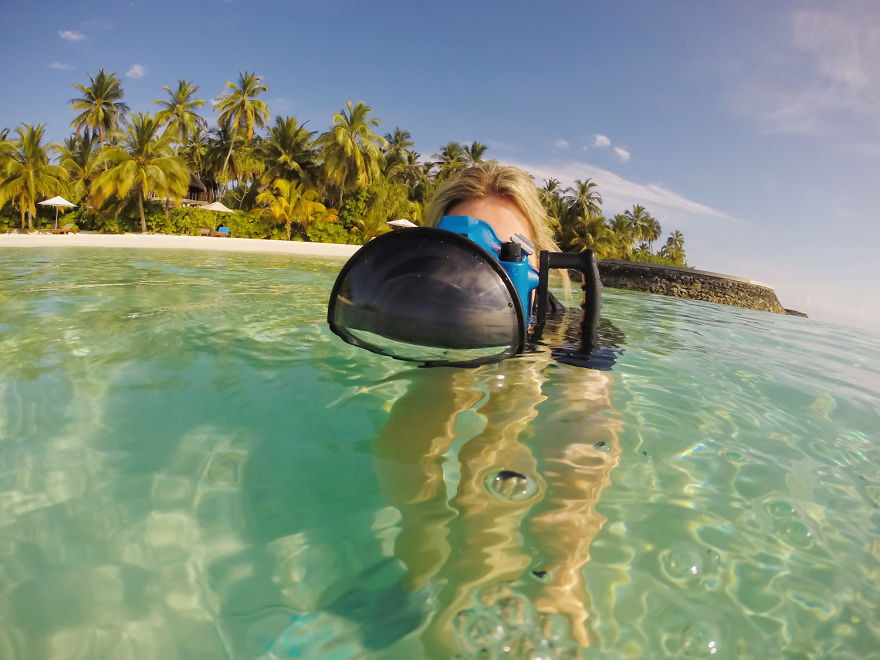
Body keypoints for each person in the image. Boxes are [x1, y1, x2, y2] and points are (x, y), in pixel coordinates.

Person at [371, 162, 621, 656]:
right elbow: (403, 440)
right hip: (454, 343)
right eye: (463, 256)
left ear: (542, 266)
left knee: (509, 424)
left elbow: (585, 436)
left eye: (504, 255)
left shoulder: (574, 328)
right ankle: (420, 559)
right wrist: (421, 542)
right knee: (430, 397)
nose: (480, 278)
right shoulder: (434, 312)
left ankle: (491, 577)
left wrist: (563, 575)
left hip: (538, 348)